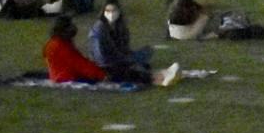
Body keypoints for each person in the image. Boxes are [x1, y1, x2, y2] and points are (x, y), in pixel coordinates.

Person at [44, 15, 177, 87]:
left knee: (117, 69)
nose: (74, 28)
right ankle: (157, 80)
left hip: (67, 76)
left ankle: (155, 76)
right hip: (71, 78)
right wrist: (101, 75)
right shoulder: (60, 47)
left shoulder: (56, 44)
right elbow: (79, 64)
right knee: (120, 73)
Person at [87, 0, 154, 75]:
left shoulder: (120, 26)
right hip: (107, 63)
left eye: (114, 10)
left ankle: (134, 64)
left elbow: (124, 48)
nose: (111, 14)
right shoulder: (99, 29)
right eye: (108, 11)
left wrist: (127, 56)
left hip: (118, 58)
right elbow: (100, 55)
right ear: (103, 12)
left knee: (147, 50)